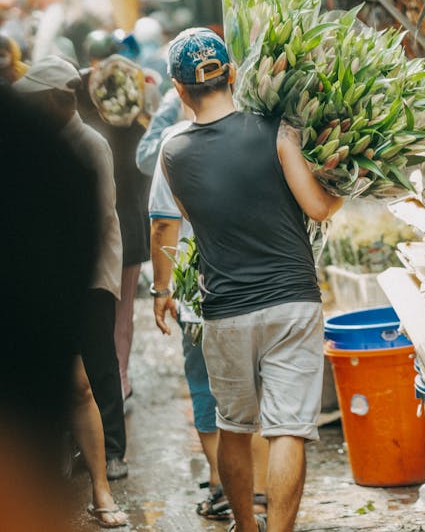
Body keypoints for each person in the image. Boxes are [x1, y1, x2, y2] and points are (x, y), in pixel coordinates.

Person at [157, 28, 343, 532]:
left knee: (234, 427)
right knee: (289, 430)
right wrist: (345, 178)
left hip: (224, 312)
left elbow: (185, 213)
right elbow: (319, 209)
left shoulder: (172, 155)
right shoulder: (278, 132)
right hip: (292, 303)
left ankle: (244, 525)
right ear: (233, 75)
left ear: (178, 89)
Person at [0, 84, 126, 530]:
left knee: (81, 386)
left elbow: (90, 217)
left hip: (42, 299)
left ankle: (100, 489)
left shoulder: (62, 148)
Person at [149, 113, 269, 521]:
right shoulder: (263, 128)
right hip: (261, 288)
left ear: (180, 91)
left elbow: (165, 222)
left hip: (202, 295)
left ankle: (222, 489)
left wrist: (162, 290)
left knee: (207, 389)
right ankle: (259, 495)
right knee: (258, 394)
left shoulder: (175, 142)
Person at [80, 33, 152, 429]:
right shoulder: (136, 116)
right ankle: (120, 380)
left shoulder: (85, 115)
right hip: (129, 225)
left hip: (111, 227)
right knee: (121, 314)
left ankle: (113, 382)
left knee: (108, 313)